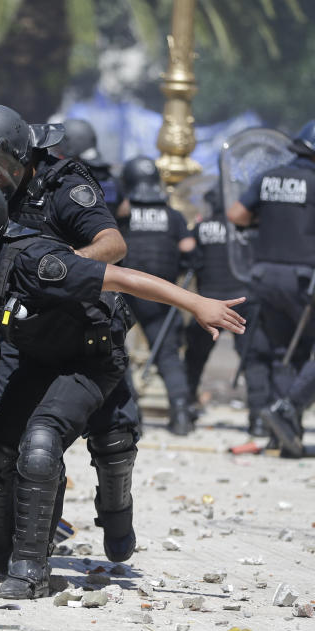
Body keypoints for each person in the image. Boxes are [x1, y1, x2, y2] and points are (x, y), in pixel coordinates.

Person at [0, 175, 245, 599]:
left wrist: (198, 304)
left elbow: (125, 278)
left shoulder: (36, 261)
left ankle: (32, 566)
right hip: (40, 362)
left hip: (93, 360)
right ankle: (2, 549)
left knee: (40, 445)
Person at [0, 104, 142, 574]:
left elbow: (113, 246)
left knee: (114, 441)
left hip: (92, 334)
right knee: (8, 443)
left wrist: (59, 271)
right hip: (29, 335)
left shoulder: (63, 187)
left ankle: (117, 519)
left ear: (20, 155)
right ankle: (16, 546)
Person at [227, 120, 315, 458]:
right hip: (304, 281)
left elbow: (236, 214)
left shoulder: (267, 179)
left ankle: (285, 435)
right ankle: (288, 409)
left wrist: (272, 218)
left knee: (283, 352)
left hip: (263, 279)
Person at [116, 156, 197, 434]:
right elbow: (189, 249)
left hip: (122, 291)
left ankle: (129, 414)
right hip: (160, 295)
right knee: (168, 355)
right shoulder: (173, 216)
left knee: (115, 349)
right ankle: (181, 414)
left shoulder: (121, 214)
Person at [183, 187, 268, 436]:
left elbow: (192, 261)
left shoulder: (202, 228)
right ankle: (259, 419)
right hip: (244, 299)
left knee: (194, 358)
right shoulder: (248, 226)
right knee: (253, 359)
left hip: (208, 301)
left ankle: (185, 409)